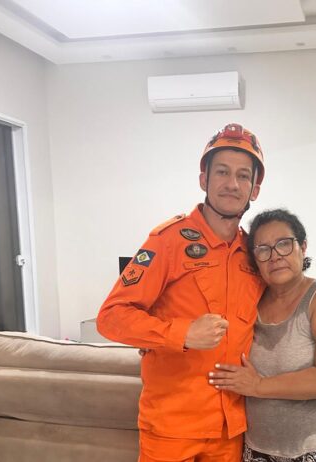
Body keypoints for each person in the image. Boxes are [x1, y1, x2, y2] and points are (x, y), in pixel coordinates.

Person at [96, 123, 267, 462]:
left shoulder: (253, 252)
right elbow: (110, 318)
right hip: (172, 427)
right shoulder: (167, 241)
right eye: (222, 172)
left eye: (243, 176)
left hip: (230, 429)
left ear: (255, 189)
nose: (232, 184)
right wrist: (182, 334)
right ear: (204, 179)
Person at [207, 209, 316, 462]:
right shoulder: (250, 302)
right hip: (257, 446)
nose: (275, 255)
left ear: (303, 247)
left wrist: (258, 386)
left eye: (284, 244)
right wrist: (165, 342)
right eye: (263, 249)